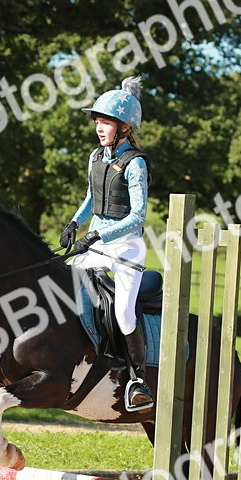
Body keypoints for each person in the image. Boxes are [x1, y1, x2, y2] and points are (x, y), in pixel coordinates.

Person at [60, 76, 154, 412]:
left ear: (125, 127)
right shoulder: (96, 157)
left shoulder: (136, 164)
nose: (100, 128)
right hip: (95, 242)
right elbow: (91, 197)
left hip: (126, 248)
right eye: (98, 121)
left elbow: (138, 217)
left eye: (107, 122)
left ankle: (137, 380)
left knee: (123, 313)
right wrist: (74, 222)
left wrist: (98, 234)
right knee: (60, 286)